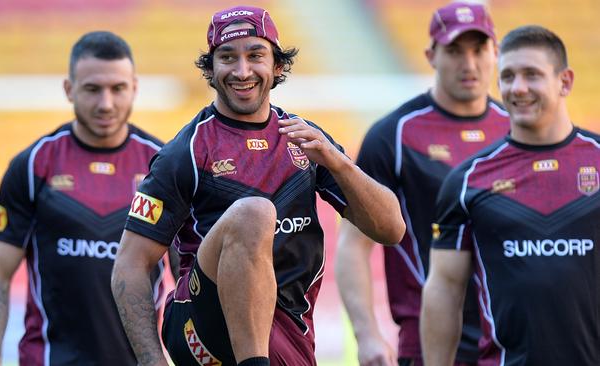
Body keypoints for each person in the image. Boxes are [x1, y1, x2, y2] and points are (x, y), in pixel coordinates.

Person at [111, 5, 406, 366]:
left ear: (278, 65)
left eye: (255, 55)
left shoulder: (308, 142)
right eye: (227, 57)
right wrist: (151, 361)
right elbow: (129, 263)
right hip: (200, 331)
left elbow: (392, 229)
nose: (242, 71)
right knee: (254, 212)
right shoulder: (184, 151)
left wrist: (338, 161)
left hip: (289, 333)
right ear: (211, 68)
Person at [0, 31, 173, 366]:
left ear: (134, 87)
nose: (106, 104)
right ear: (69, 89)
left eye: (118, 88)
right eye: (92, 89)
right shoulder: (34, 164)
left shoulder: (164, 165)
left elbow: (187, 276)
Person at [335, 2, 509, 365]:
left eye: (479, 50)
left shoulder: (517, 129)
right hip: (427, 339)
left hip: (511, 335)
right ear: (431, 55)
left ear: (495, 52)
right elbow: (353, 243)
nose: (470, 63)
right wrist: (367, 334)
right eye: (455, 51)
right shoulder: (394, 135)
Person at [421, 25, 600, 365]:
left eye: (532, 75)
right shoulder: (467, 180)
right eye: (507, 76)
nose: (517, 88)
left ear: (565, 81)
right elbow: (444, 289)